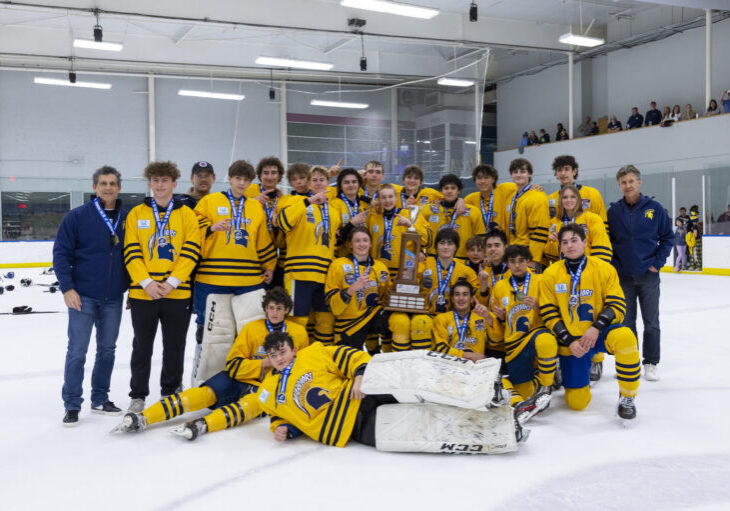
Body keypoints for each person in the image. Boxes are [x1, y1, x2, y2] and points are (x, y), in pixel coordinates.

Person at [112, 287, 309, 438]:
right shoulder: (251, 329)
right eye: (271, 308)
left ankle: (202, 425)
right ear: (265, 309)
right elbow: (233, 365)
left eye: (280, 308)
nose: (275, 312)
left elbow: (302, 370)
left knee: (247, 407)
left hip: (268, 388)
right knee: (203, 394)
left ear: (287, 310)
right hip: (240, 379)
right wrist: (263, 364)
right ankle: (143, 417)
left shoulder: (298, 333)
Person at [540, 224, 641, 420]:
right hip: (573, 342)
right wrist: (569, 341)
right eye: (565, 242)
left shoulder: (603, 268)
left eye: (574, 240)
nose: (570, 246)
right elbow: (548, 312)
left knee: (626, 338)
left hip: (600, 333)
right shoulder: (550, 274)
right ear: (560, 247)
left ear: (585, 242)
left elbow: (617, 304)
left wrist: (596, 328)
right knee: (577, 403)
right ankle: (566, 367)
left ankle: (627, 397)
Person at [123, 161, 201, 412]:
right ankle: (138, 394)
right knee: (142, 346)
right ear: (149, 184)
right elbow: (131, 251)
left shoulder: (187, 214)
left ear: (174, 184)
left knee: (175, 345)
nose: (160, 185)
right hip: (142, 293)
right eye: (155, 180)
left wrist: (172, 282)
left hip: (176, 293)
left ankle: (170, 391)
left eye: (165, 180)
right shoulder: (137, 214)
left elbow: (191, 251)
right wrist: (146, 282)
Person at [54, 166, 129, 426]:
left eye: (112, 183)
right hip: (82, 296)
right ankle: (72, 404)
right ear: (95, 187)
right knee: (77, 352)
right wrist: (67, 288)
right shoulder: (77, 217)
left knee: (107, 350)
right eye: (103, 183)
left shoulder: (127, 218)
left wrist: (129, 288)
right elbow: (61, 254)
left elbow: (132, 257)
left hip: (114, 298)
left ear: (119, 187)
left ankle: (100, 398)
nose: (108, 187)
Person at [191, 160, 276, 384]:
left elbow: (262, 239)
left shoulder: (256, 207)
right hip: (211, 278)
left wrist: (269, 265)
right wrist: (210, 228)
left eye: (246, 180)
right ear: (229, 178)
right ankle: (201, 380)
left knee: (247, 331)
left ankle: (243, 380)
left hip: (248, 280)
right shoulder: (210, 201)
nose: (241, 183)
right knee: (209, 331)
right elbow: (191, 227)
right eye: (238, 178)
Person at [607, 165, 673, 382]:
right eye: (624, 182)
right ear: (619, 185)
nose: (628, 186)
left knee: (651, 321)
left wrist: (657, 263)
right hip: (624, 277)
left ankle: (651, 362)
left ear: (639, 182)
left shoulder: (654, 208)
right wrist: (616, 267)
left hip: (648, 275)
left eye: (631, 181)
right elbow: (609, 243)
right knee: (626, 322)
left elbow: (668, 237)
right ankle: (630, 360)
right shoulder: (614, 211)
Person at [277, 165, 342, 345]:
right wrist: (308, 201)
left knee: (325, 321)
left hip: (325, 275)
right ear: (308, 182)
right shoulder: (296, 203)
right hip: (299, 273)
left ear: (328, 183)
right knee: (298, 321)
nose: (319, 183)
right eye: (314, 180)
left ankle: (321, 359)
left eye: (322, 180)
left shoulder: (334, 212)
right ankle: (295, 364)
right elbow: (282, 222)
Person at [489, 244, 557, 414]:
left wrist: (539, 307)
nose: (517, 265)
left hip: (536, 333)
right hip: (514, 343)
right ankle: (542, 378)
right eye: (512, 261)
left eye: (521, 261)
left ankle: (547, 386)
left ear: (528, 261)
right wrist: (501, 317)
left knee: (546, 341)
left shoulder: (541, 281)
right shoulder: (499, 287)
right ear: (507, 264)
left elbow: (556, 309)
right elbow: (501, 323)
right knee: (524, 392)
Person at [388, 228, 481, 351]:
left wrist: (483, 286)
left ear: (456, 247)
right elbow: (406, 282)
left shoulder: (466, 272)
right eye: (442, 243)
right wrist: (401, 276)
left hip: (450, 317)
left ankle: (425, 363)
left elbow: (476, 297)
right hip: (424, 313)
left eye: (450, 244)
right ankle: (403, 361)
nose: (445, 247)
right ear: (436, 246)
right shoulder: (424, 264)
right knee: (419, 322)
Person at [325, 226, 391, 352]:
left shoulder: (380, 267)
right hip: (349, 324)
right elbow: (334, 306)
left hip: (373, 318)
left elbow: (385, 297)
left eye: (365, 240)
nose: (362, 244)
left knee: (395, 320)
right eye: (357, 241)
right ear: (350, 244)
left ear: (371, 243)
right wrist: (353, 288)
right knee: (351, 362)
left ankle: (383, 356)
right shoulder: (338, 265)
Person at [363, 184, 429, 279]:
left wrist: (410, 225)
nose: (387, 200)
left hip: (405, 272)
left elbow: (426, 240)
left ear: (396, 198)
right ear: (379, 200)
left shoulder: (409, 214)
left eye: (390, 197)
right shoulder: (372, 217)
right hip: (378, 271)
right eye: (383, 197)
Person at [419, 173, 484, 260]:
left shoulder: (473, 212)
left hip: (462, 261)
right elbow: (418, 233)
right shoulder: (428, 210)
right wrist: (419, 251)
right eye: (446, 188)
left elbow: (480, 238)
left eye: (453, 188)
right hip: (433, 260)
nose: (449, 191)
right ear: (441, 191)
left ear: (459, 191)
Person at [544, 185, 612, 265]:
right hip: (565, 272)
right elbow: (552, 257)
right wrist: (553, 242)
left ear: (578, 200)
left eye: (573, 197)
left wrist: (596, 270)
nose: (568, 200)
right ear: (560, 201)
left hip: (588, 269)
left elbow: (602, 247)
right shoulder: (554, 223)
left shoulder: (592, 219)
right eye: (565, 197)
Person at [504, 158, 549, 269]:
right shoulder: (513, 196)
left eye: (522, 171)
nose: (518, 175)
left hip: (529, 256)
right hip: (515, 253)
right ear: (511, 175)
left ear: (529, 174)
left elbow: (539, 230)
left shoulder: (537, 196)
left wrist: (533, 260)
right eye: (515, 172)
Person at [431, 280, 488, 361]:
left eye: (465, 294)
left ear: (472, 299)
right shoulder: (441, 319)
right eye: (457, 294)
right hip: (448, 365)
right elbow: (440, 349)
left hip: (475, 367)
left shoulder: (481, 318)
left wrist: (489, 318)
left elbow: (496, 341)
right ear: (452, 299)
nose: (461, 298)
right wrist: (466, 355)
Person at [547, 155, 607, 225]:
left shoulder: (592, 193)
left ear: (574, 171)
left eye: (566, 169)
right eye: (559, 170)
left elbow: (603, 222)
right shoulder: (550, 199)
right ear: (556, 174)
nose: (563, 173)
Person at [465, 164, 515, 234]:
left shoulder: (504, 189)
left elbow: (523, 188)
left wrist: (533, 187)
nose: (482, 181)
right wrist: (459, 201)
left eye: (486, 178)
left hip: (501, 241)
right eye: (479, 178)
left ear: (493, 179)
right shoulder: (470, 199)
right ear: (475, 181)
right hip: (481, 242)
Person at [331, 167, 371, 258]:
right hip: (341, 258)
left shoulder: (366, 206)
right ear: (340, 186)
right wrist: (352, 224)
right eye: (346, 182)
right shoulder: (334, 205)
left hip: (363, 257)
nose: (351, 185)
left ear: (359, 184)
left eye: (354, 182)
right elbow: (334, 238)